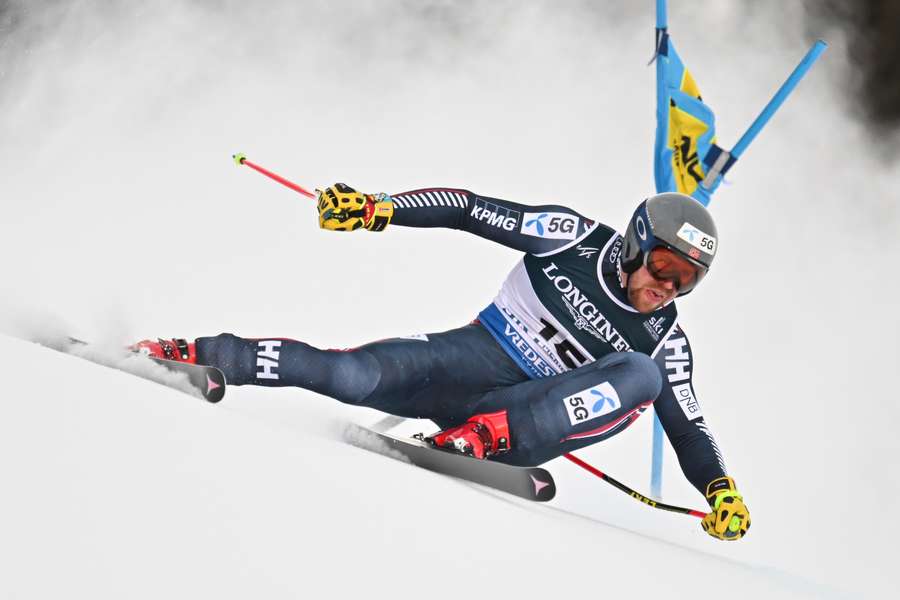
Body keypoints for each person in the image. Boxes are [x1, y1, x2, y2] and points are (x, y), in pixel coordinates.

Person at [137, 183, 750, 541]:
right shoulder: (572, 236)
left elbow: (688, 425)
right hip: (466, 359)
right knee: (347, 373)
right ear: (636, 243)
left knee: (645, 376)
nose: (670, 287)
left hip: (522, 419)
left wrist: (719, 489)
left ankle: (481, 439)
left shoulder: (663, 336)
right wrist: (379, 209)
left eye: (688, 280)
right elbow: (468, 207)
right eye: (666, 268)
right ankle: (189, 355)